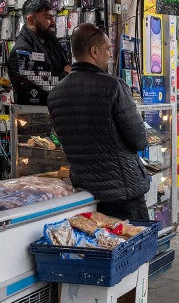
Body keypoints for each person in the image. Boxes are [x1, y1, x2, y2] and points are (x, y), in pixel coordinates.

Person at [47, 23, 149, 221]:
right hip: (122, 192)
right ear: (94, 51)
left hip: (84, 192)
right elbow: (139, 140)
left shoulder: (55, 94)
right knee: (134, 247)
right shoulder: (113, 86)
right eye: (107, 49)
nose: (110, 55)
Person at [8, 0, 71, 87]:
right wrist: (65, 75)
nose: (53, 22)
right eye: (48, 17)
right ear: (31, 20)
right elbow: (34, 88)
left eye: (52, 17)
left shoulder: (50, 40)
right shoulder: (22, 51)